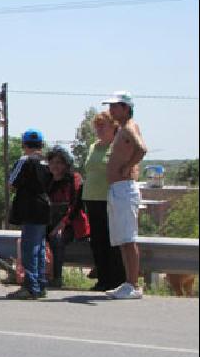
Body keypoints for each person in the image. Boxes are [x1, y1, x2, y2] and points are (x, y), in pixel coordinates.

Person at [102, 91, 148, 299]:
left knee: (128, 239)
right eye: (110, 106)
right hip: (117, 189)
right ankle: (128, 283)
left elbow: (141, 148)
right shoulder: (121, 129)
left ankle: (133, 284)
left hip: (124, 188)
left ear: (126, 108)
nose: (111, 110)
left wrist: (127, 166)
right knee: (122, 239)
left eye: (116, 106)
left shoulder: (129, 127)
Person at [82, 111, 126, 291]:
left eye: (103, 125)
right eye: (97, 125)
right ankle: (103, 278)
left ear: (113, 127)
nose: (99, 129)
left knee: (112, 240)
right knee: (97, 240)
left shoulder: (118, 145)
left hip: (110, 198)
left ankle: (116, 280)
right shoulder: (93, 147)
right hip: (91, 198)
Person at [6, 128, 52, 300]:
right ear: (40, 144)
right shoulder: (46, 162)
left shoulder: (25, 160)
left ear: (24, 144)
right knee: (39, 247)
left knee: (29, 248)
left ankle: (30, 286)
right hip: (44, 206)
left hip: (29, 207)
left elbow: (11, 183)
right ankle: (40, 284)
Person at [45, 146, 89, 288]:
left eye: (59, 162)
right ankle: (39, 276)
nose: (55, 166)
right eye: (52, 162)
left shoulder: (74, 179)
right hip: (49, 221)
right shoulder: (47, 180)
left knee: (56, 239)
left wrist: (62, 225)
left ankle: (57, 278)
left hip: (71, 224)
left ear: (66, 164)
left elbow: (76, 205)